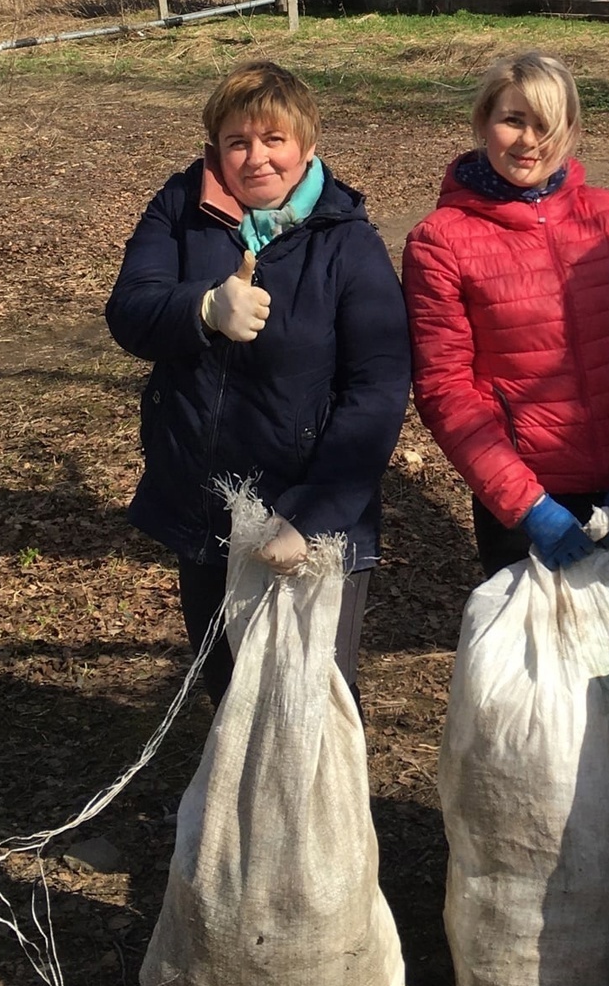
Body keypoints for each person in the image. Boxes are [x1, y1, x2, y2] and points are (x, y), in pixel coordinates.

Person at [106, 60, 411, 704]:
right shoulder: (181, 210)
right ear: (215, 147)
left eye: (274, 140)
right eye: (238, 142)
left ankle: (315, 811)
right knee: (231, 698)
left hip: (314, 520)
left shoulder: (346, 242)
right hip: (205, 506)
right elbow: (130, 310)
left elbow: (378, 390)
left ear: (306, 145)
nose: (257, 158)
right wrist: (202, 309)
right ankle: (233, 809)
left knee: (312, 705)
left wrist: (312, 515)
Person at [402, 50, 609, 577]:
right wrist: (525, 504)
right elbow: (446, 386)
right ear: (484, 121)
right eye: (513, 120)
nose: (530, 141)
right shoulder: (440, 241)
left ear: (571, 132)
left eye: (548, 125)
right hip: (522, 502)